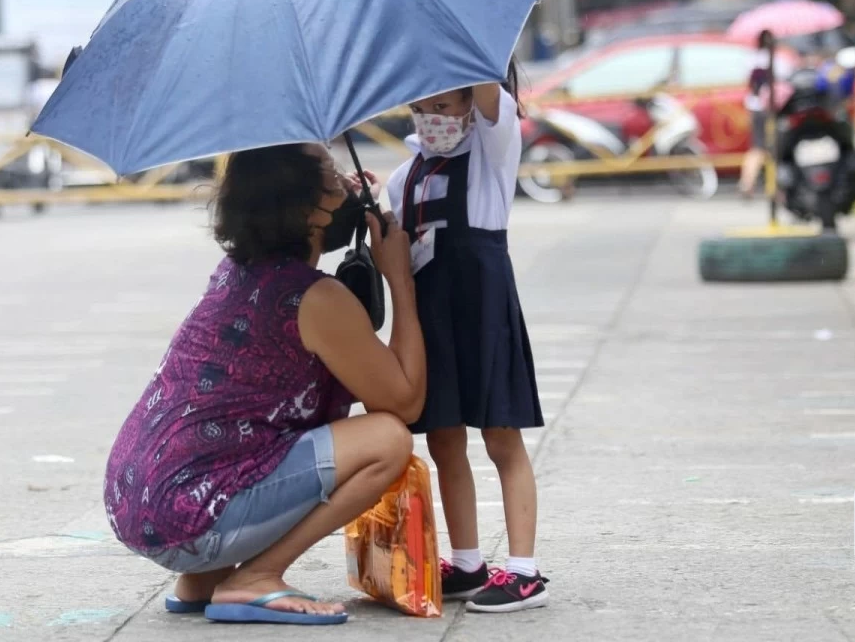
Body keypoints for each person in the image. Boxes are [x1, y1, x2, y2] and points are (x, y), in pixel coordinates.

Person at [103, 143, 426, 626]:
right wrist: (400, 279)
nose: (344, 182)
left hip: (138, 505)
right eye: (331, 175)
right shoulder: (317, 299)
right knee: (387, 440)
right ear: (308, 210)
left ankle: (203, 579)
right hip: (189, 517)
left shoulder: (236, 273)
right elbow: (405, 402)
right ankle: (256, 576)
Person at [385, 62, 549, 613]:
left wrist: (462, 45)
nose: (433, 117)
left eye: (444, 105)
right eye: (422, 107)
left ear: (471, 103)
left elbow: (488, 86)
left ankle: (524, 571)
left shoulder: (493, 149)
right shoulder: (402, 174)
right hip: (430, 311)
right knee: (444, 438)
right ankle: (468, 560)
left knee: (501, 434)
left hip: (481, 302)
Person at [738, 30, 776, 199]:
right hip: (770, 107)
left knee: (758, 147)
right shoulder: (779, 60)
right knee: (774, 148)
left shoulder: (751, 58)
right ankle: (776, 188)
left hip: (755, 107)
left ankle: (747, 183)